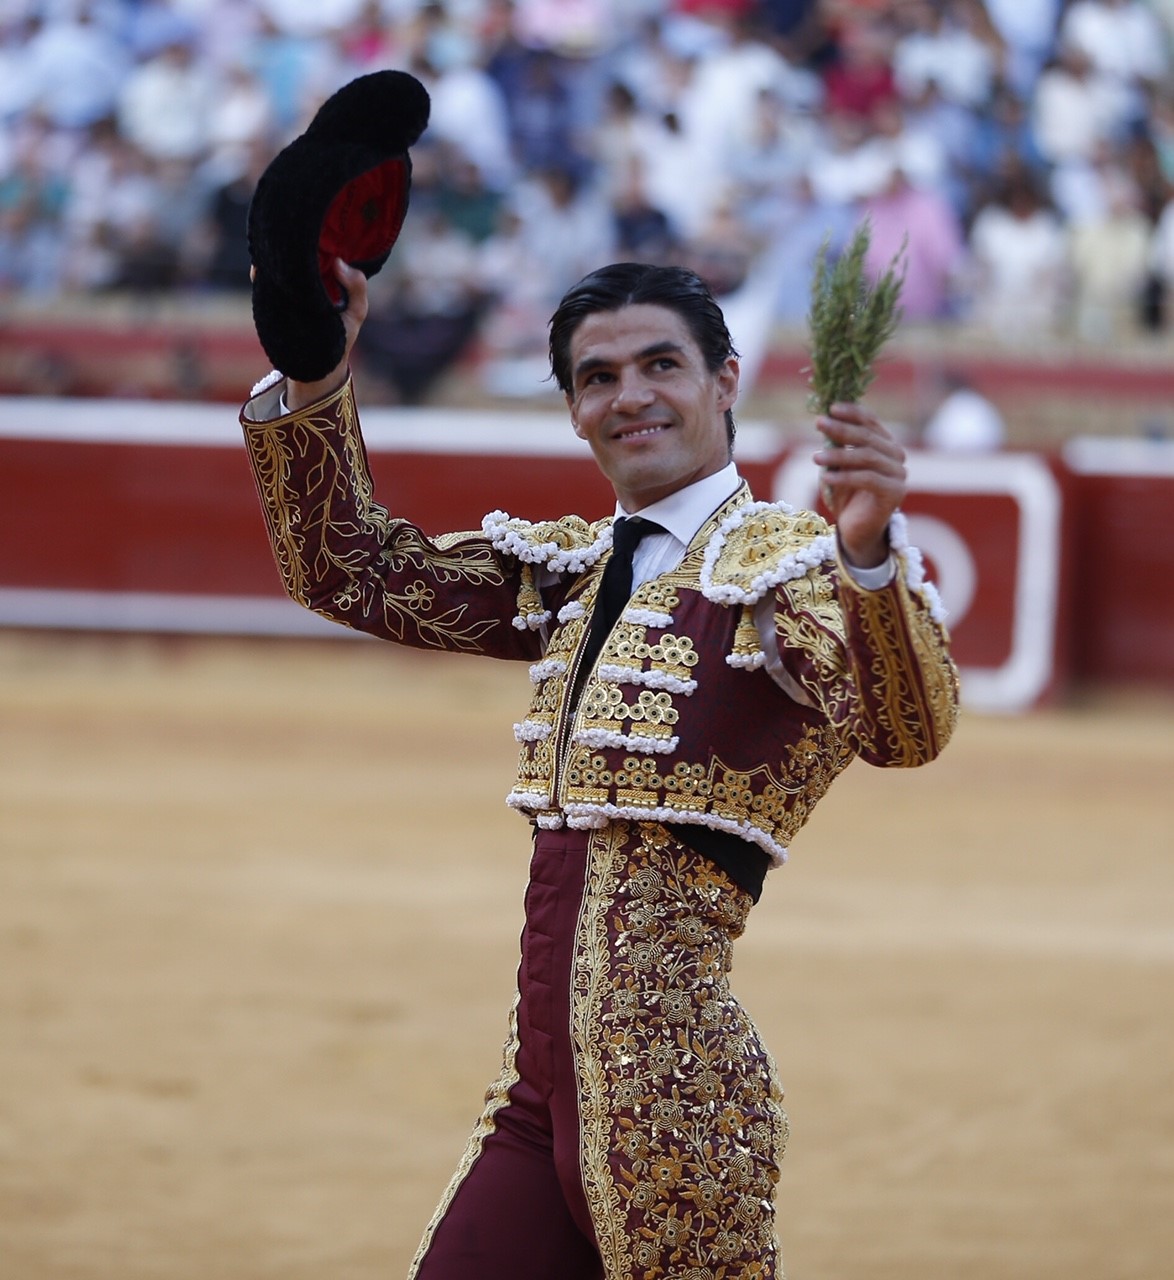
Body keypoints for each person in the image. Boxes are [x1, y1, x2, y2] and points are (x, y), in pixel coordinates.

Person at [239, 256, 959, 1279]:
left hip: (677, 1100)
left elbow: (905, 729)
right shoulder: (571, 572)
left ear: (725, 380)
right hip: (538, 1097)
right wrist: (315, 375)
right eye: (597, 376)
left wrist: (869, 554)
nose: (629, 395)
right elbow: (350, 569)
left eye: (660, 363)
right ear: (574, 410)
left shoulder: (788, 567)